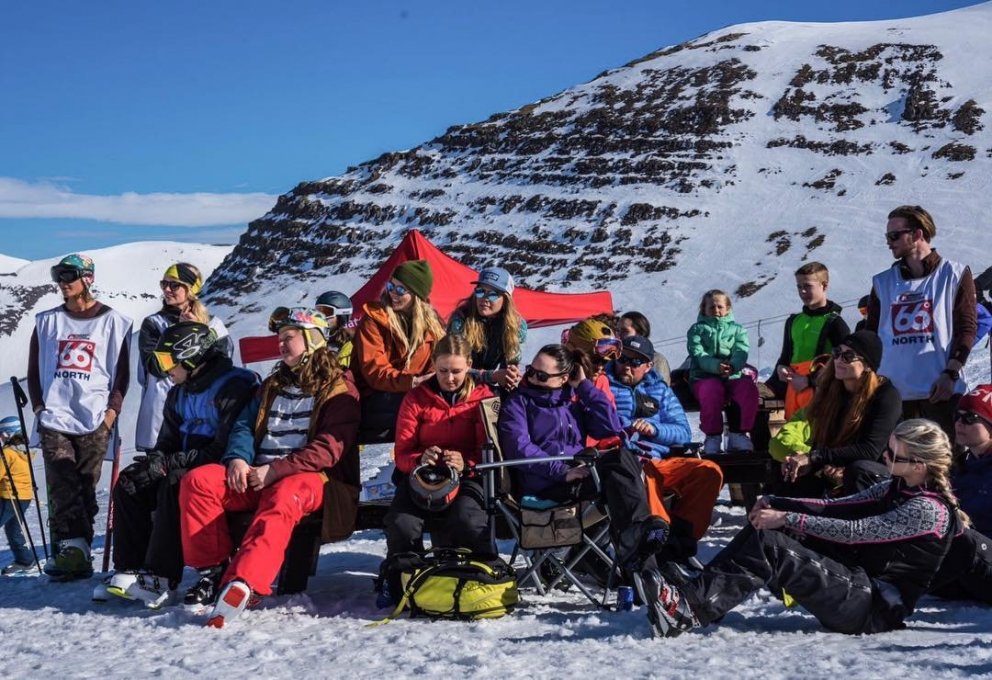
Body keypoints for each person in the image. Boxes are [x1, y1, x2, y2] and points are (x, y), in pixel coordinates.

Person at [641, 419, 965, 638]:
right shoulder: (898, 486)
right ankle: (702, 592)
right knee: (767, 528)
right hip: (857, 585)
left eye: (894, 454)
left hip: (872, 608)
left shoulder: (928, 509)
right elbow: (838, 507)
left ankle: (686, 610)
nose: (885, 456)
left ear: (920, 466)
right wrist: (775, 502)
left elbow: (858, 531)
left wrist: (786, 519)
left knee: (773, 543)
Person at [179, 307, 360, 627]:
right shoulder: (272, 384)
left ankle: (245, 582)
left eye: (289, 337)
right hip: (258, 473)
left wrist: (276, 471)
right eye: (280, 338)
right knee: (200, 481)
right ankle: (211, 572)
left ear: (313, 340)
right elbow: (245, 426)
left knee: (284, 496)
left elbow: (328, 450)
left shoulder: (338, 388)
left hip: (310, 479)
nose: (281, 344)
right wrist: (237, 458)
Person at [106, 322, 257, 606]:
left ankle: (161, 576)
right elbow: (167, 440)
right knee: (131, 480)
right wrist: (155, 461)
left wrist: (169, 463)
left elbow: (223, 447)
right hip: (186, 460)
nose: (165, 370)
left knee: (173, 481)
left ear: (190, 354)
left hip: (221, 466)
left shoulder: (235, 385)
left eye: (167, 361)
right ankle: (130, 568)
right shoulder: (179, 392)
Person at [499, 344, 666, 577]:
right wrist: (561, 471)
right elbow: (520, 450)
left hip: (578, 475)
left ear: (564, 378)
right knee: (619, 479)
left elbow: (611, 428)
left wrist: (585, 387)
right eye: (531, 371)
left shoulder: (572, 401)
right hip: (544, 483)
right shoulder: (518, 403)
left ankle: (637, 550)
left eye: (542, 375)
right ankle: (636, 555)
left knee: (623, 459)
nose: (533, 378)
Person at [28, 254, 132, 581]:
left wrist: (111, 414)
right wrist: (39, 408)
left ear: (87, 278)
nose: (63, 282)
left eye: (69, 276)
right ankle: (71, 550)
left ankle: (78, 552)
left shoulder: (114, 322)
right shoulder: (46, 321)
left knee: (86, 486)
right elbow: (34, 369)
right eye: (59, 276)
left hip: (95, 417)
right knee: (61, 482)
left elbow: (122, 373)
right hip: (55, 416)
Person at [377, 335, 495, 603]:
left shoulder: (482, 398)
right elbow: (402, 453)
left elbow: (488, 449)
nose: (450, 378)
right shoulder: (416, 398)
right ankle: (403, 583)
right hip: (422, 477)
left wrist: (467, 463)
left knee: (468, 519)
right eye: (443, 371)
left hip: (467, 477)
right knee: (402, 524)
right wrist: (421, 458)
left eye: (456, 371)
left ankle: (478, 579)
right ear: (433, 366)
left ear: (469, 365)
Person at [866, 205, 978, 438]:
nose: (889, 242)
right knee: (899, 466)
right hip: (894, 396)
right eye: (888, 236)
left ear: (917, 235)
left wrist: (951, 373)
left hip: (941, 392)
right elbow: (870, 338)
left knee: (944, 465)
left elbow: (966, 329)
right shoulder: (882, 283)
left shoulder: (954, 274)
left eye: (894, 235)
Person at [607, 336, 723, 558]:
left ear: (649, 365)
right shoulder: (605, 384)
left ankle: (682, 537)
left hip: (660, 458)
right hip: (627, 461)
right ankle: (656, 542)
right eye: (623, 359)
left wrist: (655, 429)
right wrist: (628, 426)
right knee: (645, 477)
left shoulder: (659, 389)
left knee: (708, 472)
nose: (627, 366)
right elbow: (600, 420)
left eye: (635, 362)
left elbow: (683, 431)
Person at [775, 331, 902, 497]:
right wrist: (808, 462)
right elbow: (822, 441)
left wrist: (816, 458)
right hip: (837, 467)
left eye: (848, 356)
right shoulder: (832, 392)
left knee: (858, 470)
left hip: (878, 472)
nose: (838, 360)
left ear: (867, 365)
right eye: (836, 353)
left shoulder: (886, 395)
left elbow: (870, 450)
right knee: (788, 472)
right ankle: (778, 518)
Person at [134, 262, 230, 452]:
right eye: (164, 284)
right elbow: (155, 367)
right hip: (161, 414)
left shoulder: (215, 327)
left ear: (190, 290)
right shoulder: (154, 324)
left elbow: (222, 367)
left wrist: (199, 334)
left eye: (174, 285)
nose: (167, 289)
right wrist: (181, 334)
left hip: (203, 413)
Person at [352, 259, 445, 440]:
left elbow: (437, 363)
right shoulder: (374, 320)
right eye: (391, 286)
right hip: (377, 397)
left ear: (417, 295)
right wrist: (412, 382)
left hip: (413, 393)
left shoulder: (433, 327)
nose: (393, 293)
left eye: (401, 289)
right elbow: (375, 371)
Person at [927, 385, 992, 604]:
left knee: (963, 537)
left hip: (983, 558)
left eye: (971, 418)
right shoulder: (960, 469)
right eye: (957, 416)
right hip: (967, 565)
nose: (959, 423)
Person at [772, 262, 850, 419]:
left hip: (821, 390)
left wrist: (809, 381)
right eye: (799, 286)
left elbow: (845, 362)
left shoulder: (835, 323)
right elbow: (786, 356)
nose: (802, 291)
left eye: (807, 286)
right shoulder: (793, 321)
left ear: (824, 286)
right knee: (792, 436)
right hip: (793, 389)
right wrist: (781, 368)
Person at [686, 289, 758, 453]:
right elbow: (698, 354)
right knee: (711, 390)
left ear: (728, 308)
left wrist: (732, 366)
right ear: (703, 309)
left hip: (732, 374)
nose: (716, 311)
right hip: (703, 376)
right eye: (711, 307)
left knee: (747, 389)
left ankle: (738, 434)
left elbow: (741, 351)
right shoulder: (697, 330)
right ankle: (712, 436)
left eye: (720, 306)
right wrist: (715, 367)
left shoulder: (738, 330)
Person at [447, 266, 527, 391]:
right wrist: (492, 376)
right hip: (456, 385)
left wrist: (511, 374)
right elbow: (452, 368)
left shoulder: (516, 326)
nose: (484, 299)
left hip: (486, 388)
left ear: (506, 299)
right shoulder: (461, 320)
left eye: (493, 294)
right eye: (480, 291)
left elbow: (511, 363)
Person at [0, 417, 36, 575]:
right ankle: (25, 561)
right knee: (13, 529)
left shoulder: (7, 453)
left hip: (9, 496)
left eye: (1, 434)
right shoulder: (23, 451)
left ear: (8, 434)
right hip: (24, 497)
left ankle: (25, 560)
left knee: (13, 529)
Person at [618, 311, 672, 386]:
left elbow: (660, 391)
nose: (618, 335)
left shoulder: (658, 361)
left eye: (625, 331)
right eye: (617, 330)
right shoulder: (614, 355)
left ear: (640, 334)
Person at [315, 290, 355, 368]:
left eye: (327, 312)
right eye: (318, 311)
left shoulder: (354, 346)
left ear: (341, 316)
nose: (321, 317)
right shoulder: (311, 341)